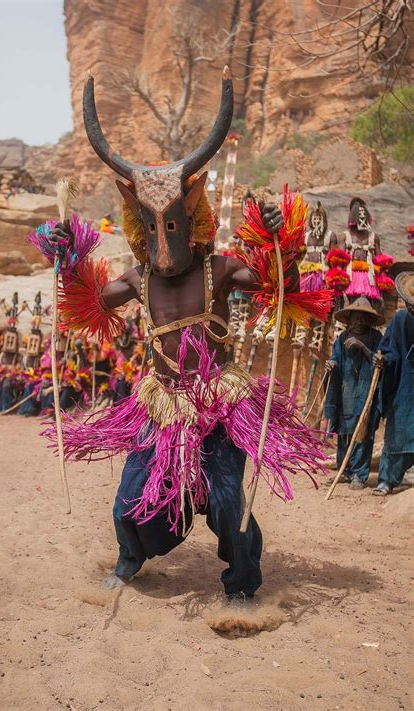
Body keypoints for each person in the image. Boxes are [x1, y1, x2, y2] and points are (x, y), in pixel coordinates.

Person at [33, 68, 328, 604]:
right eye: (150, 227)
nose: (162, 242)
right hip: (161, 405)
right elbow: (89, 304)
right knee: (129, 500)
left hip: (220, 402)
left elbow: (278, 284)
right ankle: (129, 560)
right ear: (138, 225)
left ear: (191, 220)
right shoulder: (137, 279)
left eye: (170, 226)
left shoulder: (220, 270)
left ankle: (240, 585)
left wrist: (277, 237)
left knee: (225, 500)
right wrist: (67, 258)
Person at [324, 297, 385, 489]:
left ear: (368, 320)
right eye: (354, 318)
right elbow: (335, 358)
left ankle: (360, 474)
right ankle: (345, 470)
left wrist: (361, 346)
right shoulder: (342, 338)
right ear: (349, 319)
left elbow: (379, 361)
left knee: (363, 435)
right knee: (344, 433)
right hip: (346, 393)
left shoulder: (376, 338)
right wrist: (331, 364)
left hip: (366, 395)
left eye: (362, 318)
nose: (358, 322)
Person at [373, 272, 414, 495]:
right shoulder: (399, 320)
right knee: (398, 425)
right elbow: (390, 350)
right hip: (404, 382)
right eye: (409, 305)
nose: (412, 309)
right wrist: (382, 359)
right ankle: (387, 479)